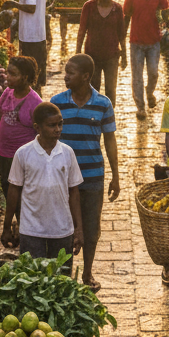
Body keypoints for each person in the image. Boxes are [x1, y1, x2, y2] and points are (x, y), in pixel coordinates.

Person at [52, 54, 120, 291]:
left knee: (91, 228)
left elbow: (110, 140)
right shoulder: (57, 102)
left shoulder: (103, 104)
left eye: (70, 72)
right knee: (63, 226)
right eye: (66, 71)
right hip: (61, 176)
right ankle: (64, 274)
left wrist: (116, 176)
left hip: (92, 176)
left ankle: (88, 273)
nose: (66, 76)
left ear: (86, 76)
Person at [2, 102, 84, 267]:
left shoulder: (67, 153)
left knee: (62, 280)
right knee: (33, 279)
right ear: (37, 128)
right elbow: (13, 191)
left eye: (60, 124)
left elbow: (74, 192)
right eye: (52, 125)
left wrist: (79, 229)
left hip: (62, 229)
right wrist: (7, 226)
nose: (58, 129)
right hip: (31, 230)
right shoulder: (23, 154)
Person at [0, 55, 41, 200]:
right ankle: (16, 217)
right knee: (6, 184)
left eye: (13, 74)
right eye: (7, 72)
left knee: (22, 191)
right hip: (3, 151)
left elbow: (40, 132)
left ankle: (23, 218)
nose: (8, 77)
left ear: (25, 77)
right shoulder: (8, 92)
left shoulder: (35, 102)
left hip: (23, 158)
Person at [124, 0, 169, 120]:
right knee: (137, 76)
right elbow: (126, 18)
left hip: (153, 42)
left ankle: (150, 92)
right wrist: (121, 39)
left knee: (153, 72)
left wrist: (166, 21)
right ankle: (140, 107)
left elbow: (165, 9)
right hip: (136, 42)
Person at [76, 0, 126, 106]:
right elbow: (82, 30)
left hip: (112, 56)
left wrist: (124, 54)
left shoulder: (117, 9)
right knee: (93, 88)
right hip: (92, 55)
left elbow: (121, 34)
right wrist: (78, 52)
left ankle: (109, 116)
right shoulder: (89, 7)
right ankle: (94, 116)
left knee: (111, 89)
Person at [3, 0, 47, 90]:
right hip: (38, 33)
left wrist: (13, 4)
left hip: (30, 34)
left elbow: (31, 7)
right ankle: (37, 95)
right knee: (37, 70)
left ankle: (32, 99)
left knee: (30, 72)